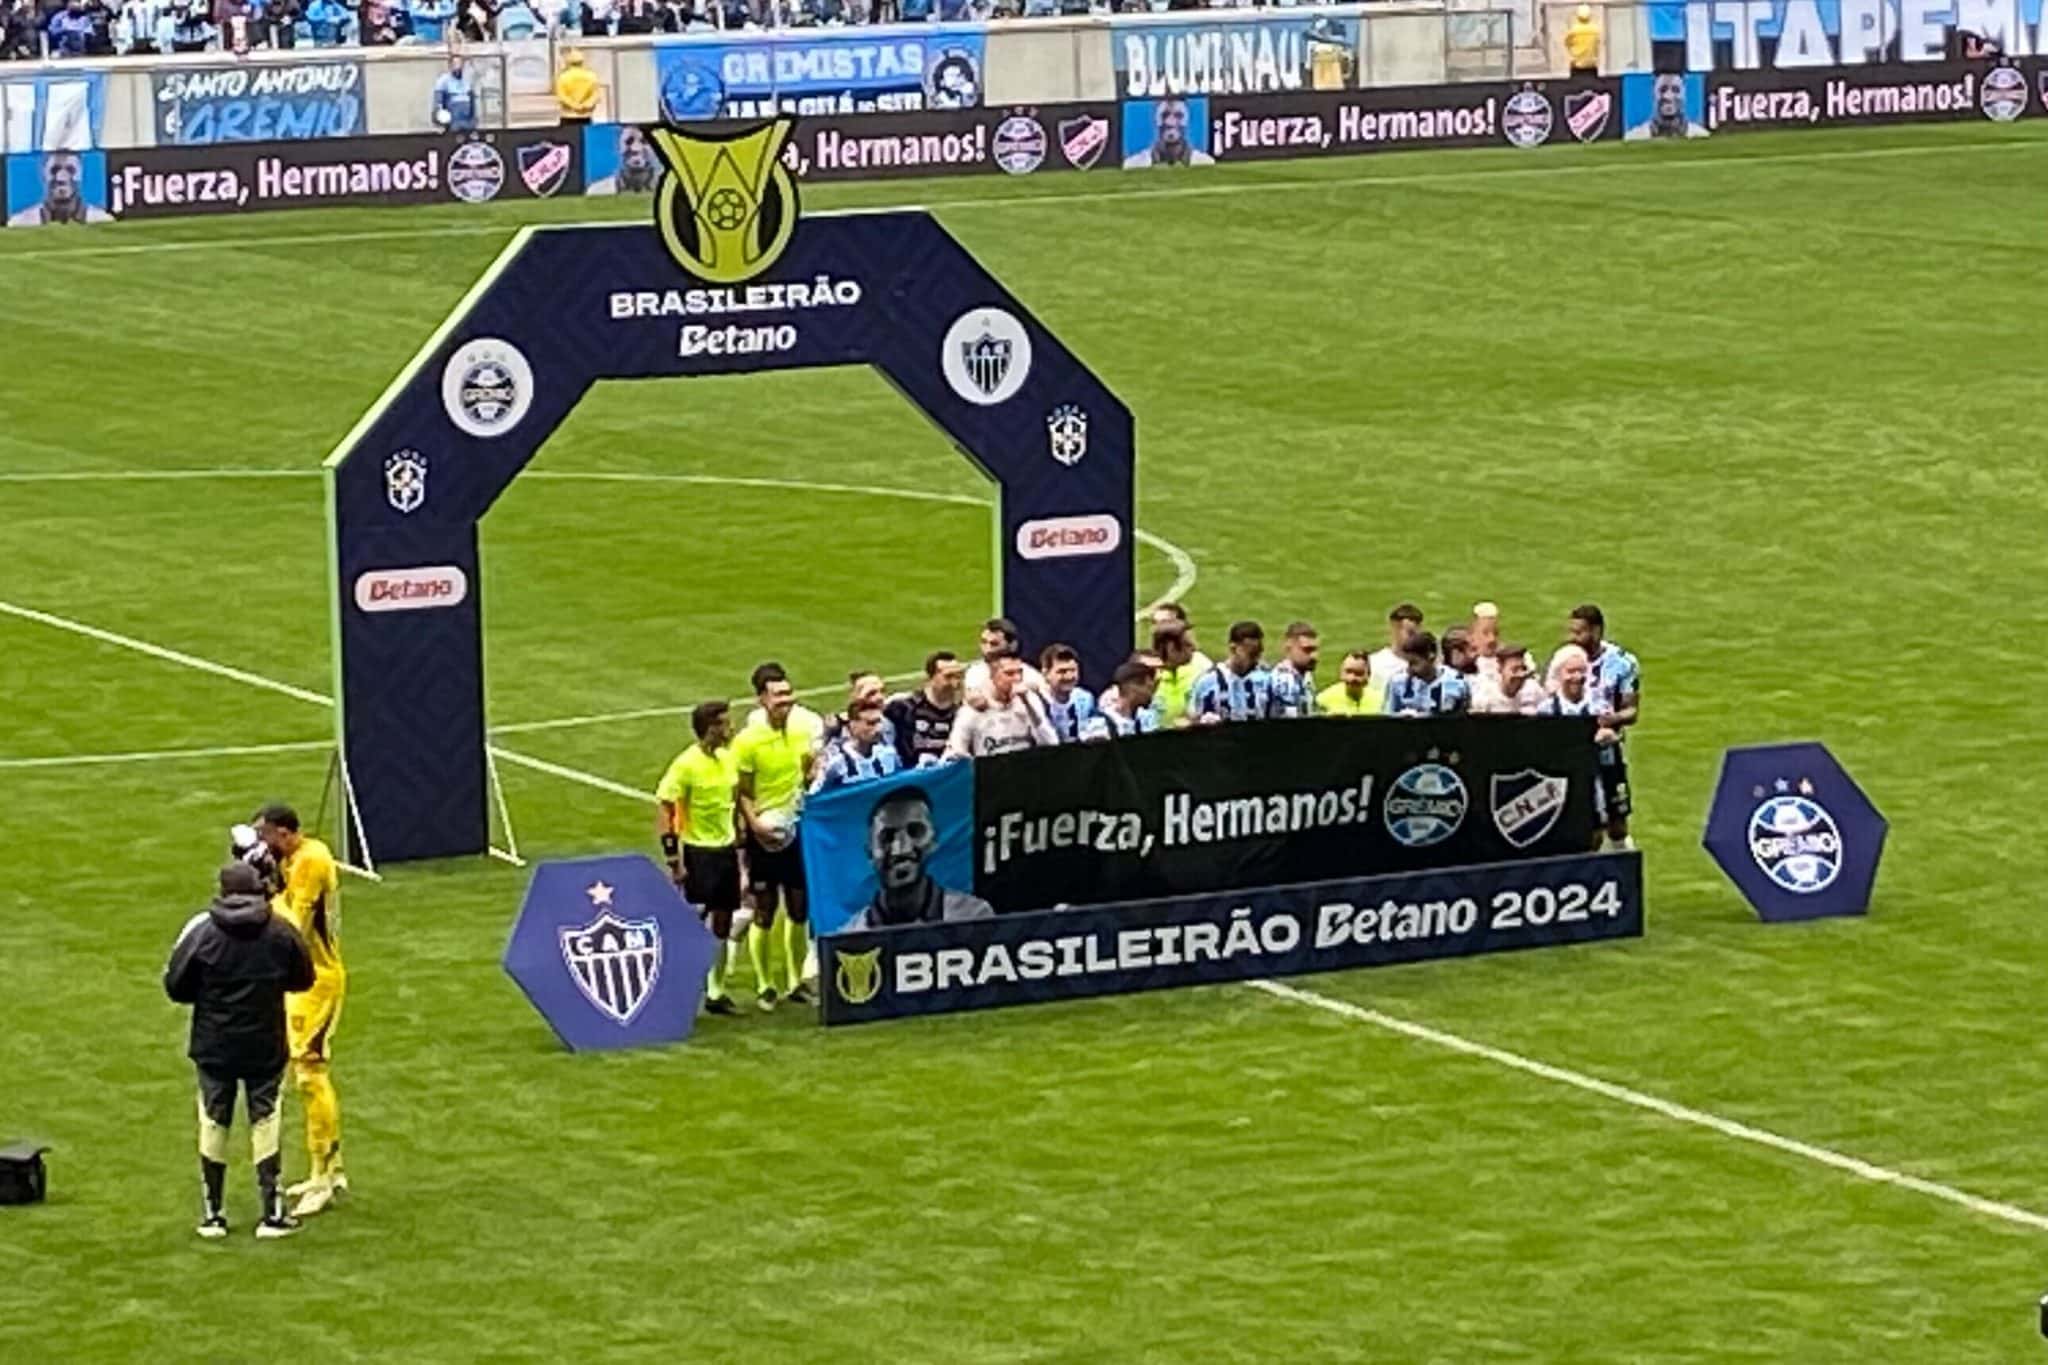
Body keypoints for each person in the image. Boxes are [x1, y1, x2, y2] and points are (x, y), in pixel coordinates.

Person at [165, 862, 316, 1240]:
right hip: (265, 1042)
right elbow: (304, 978)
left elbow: (176, 985)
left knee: (214, 1120)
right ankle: (272, 1214)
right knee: (265, 1120)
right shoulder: (280, 931)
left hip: (214, 1044)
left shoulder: (203, 933)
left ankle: (213, 1214)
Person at [248, 804, 347, 1218]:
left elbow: (293, 928)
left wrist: (267, 887)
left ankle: (323, 1174)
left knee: (310, 1073)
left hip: (318, 981)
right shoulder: (293, 857)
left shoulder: (312, 861)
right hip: (299, 983)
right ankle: (331, 1167)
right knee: (302, 1071)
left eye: (266, 836)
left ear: (286, 833)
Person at [732, 664, 819, 1010]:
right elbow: (742, 790)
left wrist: (812, 775)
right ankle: (766, 984)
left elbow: (807, 776)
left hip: (796, 829)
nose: (787, 700)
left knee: (799, 907)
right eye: (779, 695)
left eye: (788, 693)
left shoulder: (800, 733)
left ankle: (796, 981)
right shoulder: (748, 741)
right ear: (762, 700)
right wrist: (754, 825)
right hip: (763, 834)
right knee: (765, 909)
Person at [654, 701, 743, 1016]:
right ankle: (676, 986)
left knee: (724, 919)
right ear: (710, 729)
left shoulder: (728, 759)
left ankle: (716, 992)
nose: (730, 728)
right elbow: (666, 807)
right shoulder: (686, 765)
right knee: (692, 921)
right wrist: (674, 859)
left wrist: (739, 844)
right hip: (699, 853)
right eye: (724, 723)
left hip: (726, 850)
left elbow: (732, 803)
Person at [844, 786, 994, 931]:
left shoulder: (973, 918)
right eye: (887, 837)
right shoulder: (849, 940)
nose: (901, 849)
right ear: (869, 852)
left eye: (915, 831)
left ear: (933, 841)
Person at [1554, 604, 1640, 849]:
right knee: (1586, 824)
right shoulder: (1565, 660)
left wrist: (1605, 721)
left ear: (1597, 630)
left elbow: (1631, 711)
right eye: (1571, 631)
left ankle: (1624, 871)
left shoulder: (1622, 663)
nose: (1574, 638)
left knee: (1617, 820)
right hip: (1574, 754)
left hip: (1608, 752)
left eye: (1579, 632)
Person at [1538, 645, 1622, 845]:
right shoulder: (1547, 710)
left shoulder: (1599, 705)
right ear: (1559, 674)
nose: (1577, 677)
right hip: (1562, 780)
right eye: (1570, 671)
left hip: (1599, 773)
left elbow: (1618, 735)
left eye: (1581, 671)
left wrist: (1610, 736)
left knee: (1607, 828)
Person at [946, 655, 1057, 758]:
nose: (1017, 678)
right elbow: (956, 750)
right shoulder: (973, 709)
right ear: (993, 676)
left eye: (1020, 673)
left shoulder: (1029, 700)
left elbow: (1050, 743)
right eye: (1009, 674)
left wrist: (1027, 704)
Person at [885, 651, 965, 769]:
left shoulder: (962, 713)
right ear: (931, 677)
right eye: (948, 677)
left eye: (958, 676)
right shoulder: (903, 706)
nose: (955, 683)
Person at [1190, 620, 1276, 723]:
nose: (1256, 660)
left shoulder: (1268, 680)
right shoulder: (1208, 682)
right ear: (1233, 649)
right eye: (1251, 654)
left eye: (1258, 654)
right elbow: (1194, 719)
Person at [813, 698, 903, 792]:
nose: (878, 729)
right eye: (870, 723)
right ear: (853, 725)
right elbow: (815, 798)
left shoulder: (889, 754)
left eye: (879, 722)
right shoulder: (836, 762)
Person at [7, 151, 111, 226]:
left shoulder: (102, 222)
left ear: (80, 174)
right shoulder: (20, 224)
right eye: (54, 170)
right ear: (43, 175)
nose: (61, 177)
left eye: (71, 170)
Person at [1382, 631, 1471, 716]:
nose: (1409, 670)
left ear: (1431, 656)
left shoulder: (1456, 682)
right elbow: (1388, 717)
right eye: (1407, 663)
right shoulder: (1398, 683)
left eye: (1414, 663)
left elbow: (1463, 719)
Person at [964, 617, 1045, 699]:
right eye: (984, 642)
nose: (987, 649)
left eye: (994, 644)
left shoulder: (1031, 676)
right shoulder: (974, 673)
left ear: (1011, 646)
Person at [1080, 660, 1162, 740]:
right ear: (1134, 688)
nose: (1151, 694)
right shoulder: (1100, 726)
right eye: (1149, 688)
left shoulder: (1143, 720)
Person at [1125, 97, 1212, 168]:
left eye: (1178, 116)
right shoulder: (1134, 165)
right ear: (1155, 120)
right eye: (1164, 115)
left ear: (1187, 120)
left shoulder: (1205, 163)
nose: (1170, 122)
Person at [1038, 643, 1097, 743]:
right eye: (1062, 671)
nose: (1069, 676)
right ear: (1046, 674)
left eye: (1073, 670)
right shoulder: (1038, 701)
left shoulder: (1086, 698)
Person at [1150, 623, 1204, 729]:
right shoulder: (1144, 680)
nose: (1194, 648)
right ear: (1171, 648)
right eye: (1188, 644)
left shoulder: (1202, 669)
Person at [1367, 603, 1423, 702]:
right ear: (1394, 629)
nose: (1415, 638)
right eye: (1410, 633)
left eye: (1417, 632)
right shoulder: (1375, 663)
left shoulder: (1426, 664)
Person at [1471, 642, 1544, 715]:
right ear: (1500, 669)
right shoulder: (1485, 699)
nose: (1520, 675)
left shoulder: (1533, 689)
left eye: (1523, 669)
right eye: (1514, 670)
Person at [1269, 620, 1319, 717]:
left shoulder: (1305, 676)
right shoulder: (1283, 680)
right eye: (1307, 650)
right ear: (1289, 648)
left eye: (1315, 650)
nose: (1314, 656)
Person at [591, 124, 660, 194]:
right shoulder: (597, 191)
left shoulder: (668, 190)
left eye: (645, 141)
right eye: (628, 142)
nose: (636, 148)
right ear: (617, 147)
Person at [1315, 650, 1376, 717]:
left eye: (1359, 673)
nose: (1352, 678)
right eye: (1348, 671)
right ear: (1341, 672)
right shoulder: (1323, 700)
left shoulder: (1379, 701)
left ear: (1368, 675)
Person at [554, 47, 601, 123]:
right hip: (586, 115)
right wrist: (586, 105)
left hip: (568, 115)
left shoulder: (562, 77)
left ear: (568, 62)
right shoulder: (591, 76)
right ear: (582, 62)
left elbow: (562, 96)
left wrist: (575, 106)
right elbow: (595, 94)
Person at [432, 56, 478, 132]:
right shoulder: (443, 81)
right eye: (455, 64)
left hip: (467, 122)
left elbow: (472, 102)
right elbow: (438, 102)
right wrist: (441, 118)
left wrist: (474, 119)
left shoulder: (467, 81)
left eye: (460, 64)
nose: (458, 67)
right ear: (450, 66)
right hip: (453, 121)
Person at [1565, 2, 1600, 74]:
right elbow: (1598, 44)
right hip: (1592, 65)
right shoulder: (1595, 30)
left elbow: (1567, 43)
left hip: (1577, 65)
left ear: (1578, 16)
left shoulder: (1573, 30)